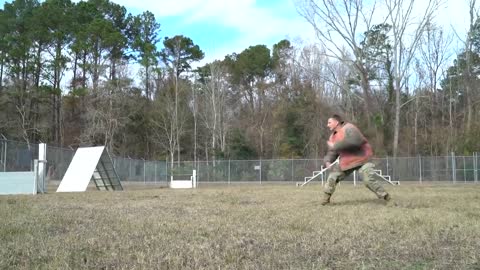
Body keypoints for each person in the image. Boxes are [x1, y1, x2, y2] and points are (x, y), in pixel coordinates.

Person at [321, 114, 390, 205]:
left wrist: (335, 145)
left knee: (368, 180)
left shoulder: (349, 128)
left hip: (363, 158)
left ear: (336, 122)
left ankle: (386, 197)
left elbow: (355, 141)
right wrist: (327, 161)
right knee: (332, 177)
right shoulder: (332, 137)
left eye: (329, 122)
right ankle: (325, 201)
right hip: (347, 162)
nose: (327, 125)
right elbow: (332, 152)